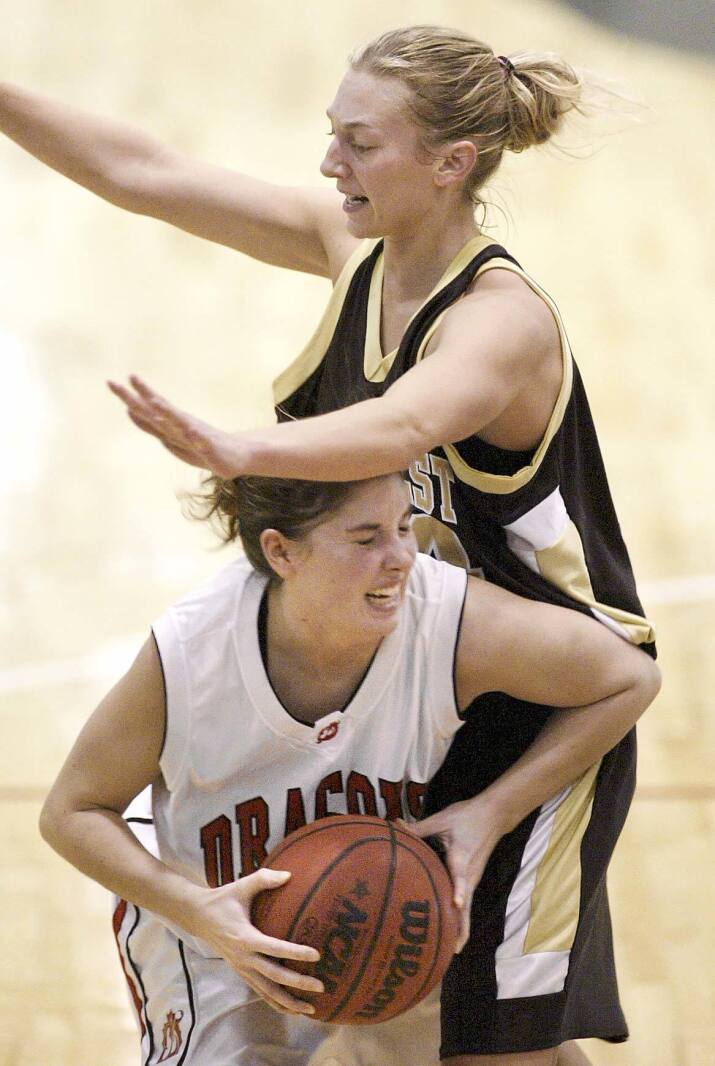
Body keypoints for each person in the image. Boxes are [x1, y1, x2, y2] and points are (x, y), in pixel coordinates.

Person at [2, 24, 656, 1061]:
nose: (327, 164)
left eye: (360, 143)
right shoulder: (355, 256)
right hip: (404, 654)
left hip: (541, 689)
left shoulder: (500, 321)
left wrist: (240, 449)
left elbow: (406, 423)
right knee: (413, 1003)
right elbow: (143, 171)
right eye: (331, 134)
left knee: (496, 1036)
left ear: (449, 164)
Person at [39, 472, 660, 1066]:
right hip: (211, 933)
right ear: (282, 552)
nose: (402, 557)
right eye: (367, 539)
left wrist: (492, 811)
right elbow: (72, 811)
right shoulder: (191, 653)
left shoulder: (444, 617)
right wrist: (194, 909)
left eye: (404, 526)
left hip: (380, 920)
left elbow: (629, 679)